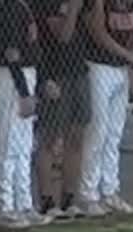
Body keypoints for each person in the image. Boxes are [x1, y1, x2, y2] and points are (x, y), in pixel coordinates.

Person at [78, 0, 133, 216]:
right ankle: (89, 194)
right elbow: (98, 32)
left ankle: (110, 190)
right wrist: (126, 54)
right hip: (99, 66)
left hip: (121, 69)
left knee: (114, 133)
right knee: (98, 131)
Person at [33, 0, 89, 219]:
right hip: (55, 72)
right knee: (50, 136)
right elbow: (64, 36)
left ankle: (69, 198)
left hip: (78, 72)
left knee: (76, 136)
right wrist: (74, 7)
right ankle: (47, 200)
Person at [0, 0, 43, 228]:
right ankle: (6, 206)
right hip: (12, 77)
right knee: (10, 141)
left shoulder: (23, 5)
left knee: (24, 144)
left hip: (27, 73)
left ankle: (24, 203)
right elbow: (11, 53)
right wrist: (23, 91)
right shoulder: (7, 6)